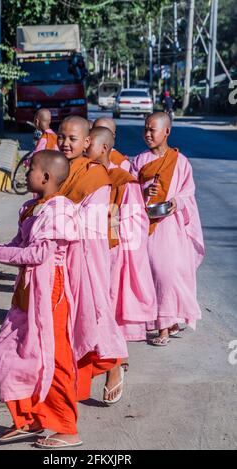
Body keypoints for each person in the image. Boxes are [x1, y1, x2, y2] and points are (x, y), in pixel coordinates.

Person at [0, 150, 85, 448]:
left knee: (53, 359)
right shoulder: (32, 207)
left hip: (50, 293)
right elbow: (21, 243)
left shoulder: (60, 212)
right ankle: (29, 417)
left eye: (29, 170)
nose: (24, 175)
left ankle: (67, 428)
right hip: (28, 291)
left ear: (46, 177)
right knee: (7, 351)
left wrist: (2, 254)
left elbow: (40, 254)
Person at [57, 115, 128, 404]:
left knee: (93, 318)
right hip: (59, 258)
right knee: (64, 325)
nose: (65, 143)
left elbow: (91, 224)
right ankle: (65, 385)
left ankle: (113, 367)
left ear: (87, 142)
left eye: (72, 139)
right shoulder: (58, 167)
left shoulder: (96, 176)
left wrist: (53, 217)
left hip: (86, 258)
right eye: (62, 137)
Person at [130, 112, 205, 345]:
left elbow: (187, 192)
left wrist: (176, 202)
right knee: (149, 274)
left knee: (167, 274)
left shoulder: (180, 162)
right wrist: (143, 192)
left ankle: (164, 325)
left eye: (153, 129)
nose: (148, 134)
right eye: (145, 129)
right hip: (146, 224)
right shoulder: (139, 160)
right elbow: (128, 190)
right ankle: (163, 321)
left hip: (169, 226)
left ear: (167, 132)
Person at [86, 126, 157, 371]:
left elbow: (136, 216)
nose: (84, 148)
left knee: (109, 300)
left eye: (88, 143)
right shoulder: (80, 173)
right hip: (84, 247)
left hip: (112, 248)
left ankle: (115, 357)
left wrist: (130, 250)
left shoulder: (122, 177)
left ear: (105, 147)